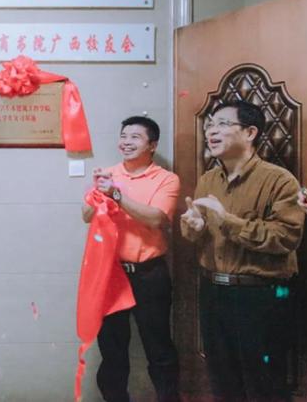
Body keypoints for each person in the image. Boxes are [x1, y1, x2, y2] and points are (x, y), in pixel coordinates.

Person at [181, 101, 304, 402]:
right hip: (213, 293)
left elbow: (285, 237)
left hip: (261, 295)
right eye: (210, 124)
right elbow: (197, 233)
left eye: (223, 124)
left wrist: (227, 221)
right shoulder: (208, 179)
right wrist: (194, 227)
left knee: (266, 385)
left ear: (250, 132)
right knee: (223, 382)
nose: (211, 131)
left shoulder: (279, 180)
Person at [83, 116, 181, 402]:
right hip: (111, 273)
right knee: (112, 350)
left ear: (152, 145)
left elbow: (156, 219)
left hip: (150, 274)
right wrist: (98, 194)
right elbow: (86, 216)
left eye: (135, 137)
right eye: (124, 136)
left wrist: (116, 194)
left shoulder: (166, 179)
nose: (126, 142)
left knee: (158, 347)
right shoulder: (109, 174)